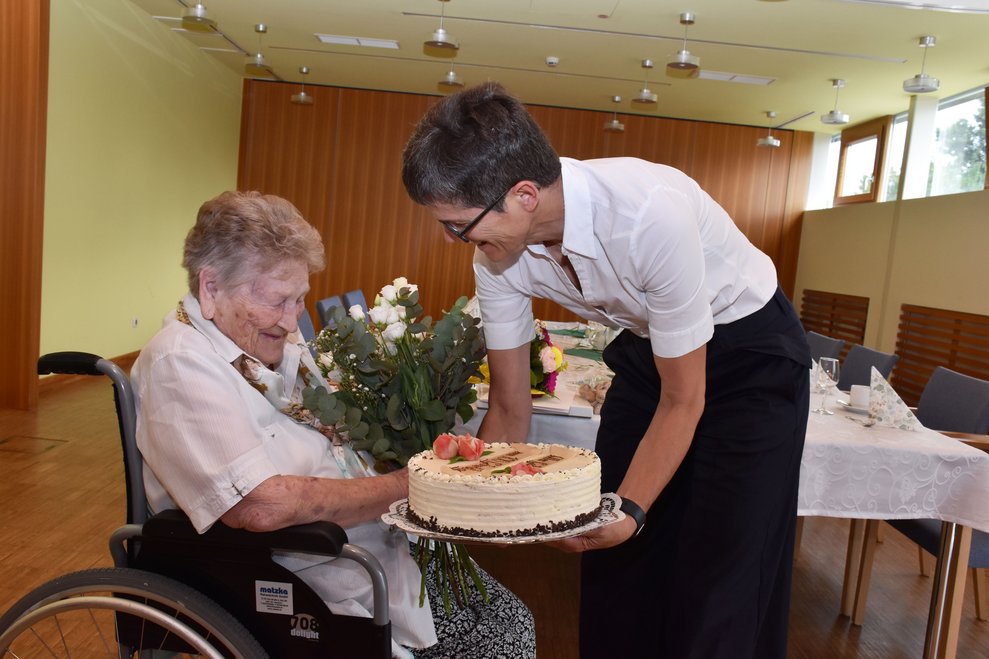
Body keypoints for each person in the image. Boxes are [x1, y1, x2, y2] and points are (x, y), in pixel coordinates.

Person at [401, 83, 810, 658]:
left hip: (751, 357)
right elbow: (512, 406)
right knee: (612, 554)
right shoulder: (494, 258)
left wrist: (633, 512)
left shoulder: (647, 215)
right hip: (651, 350)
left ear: (523, 195)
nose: (452, 240)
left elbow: (685, 399)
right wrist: (474, 504)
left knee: (724, 566)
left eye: (458, 224)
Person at [131, 190, 535, 659]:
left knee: (512, 621)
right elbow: (259, 506)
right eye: (277, 301)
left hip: (369, 548)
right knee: (499, 642)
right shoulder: (180, 364)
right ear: (211, 288)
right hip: (300, 574)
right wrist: (409, 485)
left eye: (300, 300)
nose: (291, 323)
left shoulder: (265, 343)